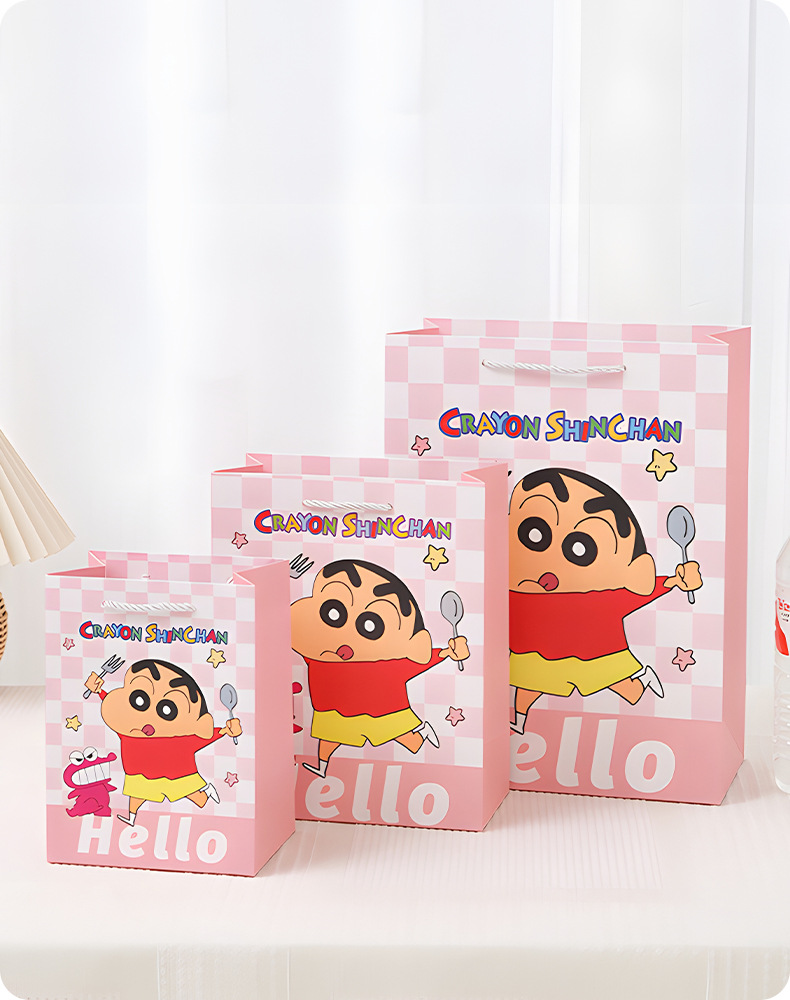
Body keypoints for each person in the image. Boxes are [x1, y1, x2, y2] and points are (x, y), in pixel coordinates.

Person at [509, 468, 702, 734]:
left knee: (622, 686)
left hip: (595, 655)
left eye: (581, 549)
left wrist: (674, 581)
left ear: (634, 569)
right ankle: (519, 719)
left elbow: (637, 594)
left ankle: (643, 681)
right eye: (535, 533)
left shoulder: (599, 599)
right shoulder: (519, 592)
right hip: (536, 652)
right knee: (528, 681)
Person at [292, 559, 468, 777]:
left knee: (404, 739)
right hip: (332, 710)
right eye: (333, 612)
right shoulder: (319, 656)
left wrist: (446, 652)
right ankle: (322, 766)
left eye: (370, 625)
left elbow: (417, 662)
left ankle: (422, 734)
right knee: (329, 736)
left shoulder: (385, 665)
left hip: (383, 712)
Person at [84, 658, 242, 826]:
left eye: (168, 710)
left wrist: (225, 731)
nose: (149, 717)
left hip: (177, 775)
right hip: (139, 773)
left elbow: (203, 738)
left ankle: (206, 792)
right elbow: (117, 711)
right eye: (139, 699)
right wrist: (99, 691)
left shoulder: (178, 741)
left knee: (191, 794)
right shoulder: (129, 732)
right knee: (137, 792)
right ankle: (131, 816)